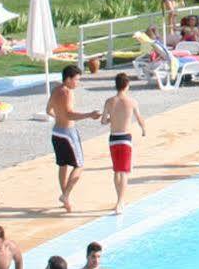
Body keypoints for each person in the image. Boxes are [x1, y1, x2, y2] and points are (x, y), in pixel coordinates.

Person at [47, 67, 100, 212]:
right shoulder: (67, 92)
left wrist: (59, 117)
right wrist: (89, 114)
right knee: (79, 165)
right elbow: (69, 114)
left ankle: (66, 199)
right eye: (77, 79)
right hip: (67, 133)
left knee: (63, 165)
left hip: (56, 132)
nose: (78, 83)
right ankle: (65, 195)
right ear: (68, 79)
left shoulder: (55, 90)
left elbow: (48, 110)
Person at [99, 72, 147, 216]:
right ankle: (120, 201)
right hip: (125, 138)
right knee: (124, 171)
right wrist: (144, 130)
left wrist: (112, 119)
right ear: (127, 85)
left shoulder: (109, 101)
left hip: (113, 138)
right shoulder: (131, 102)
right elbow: (139, 118)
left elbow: (103, 121)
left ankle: (118, 200)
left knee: (117, 170)